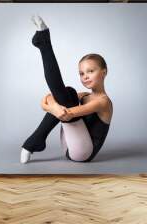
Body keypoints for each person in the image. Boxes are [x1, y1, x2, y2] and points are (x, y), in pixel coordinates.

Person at [20, 15, 113, 163]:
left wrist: (53, 107)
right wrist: (54, 107)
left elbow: (66, 114)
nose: (85, 77)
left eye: (90, 71)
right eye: (82, 73)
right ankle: (36, 141)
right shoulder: (84, 96)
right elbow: (45, 102)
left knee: (64, 99)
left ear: (104, 72)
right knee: (68, 92)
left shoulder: (103, 102)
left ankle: (44, 43)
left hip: (83, 152)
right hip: (67, 146)